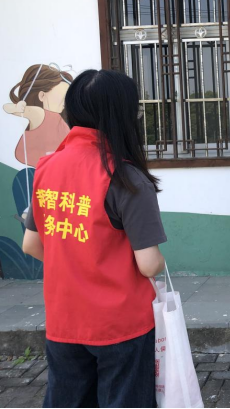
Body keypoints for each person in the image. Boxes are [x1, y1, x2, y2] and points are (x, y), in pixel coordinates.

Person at [22, 69, 167, 408]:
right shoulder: (126, 177)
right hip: (121, 324)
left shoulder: (46, 167)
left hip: (64, 319)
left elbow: (31, 244)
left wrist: (76, 261)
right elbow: (149, 265)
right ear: (123, 115)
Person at [3, 64, 72, 167]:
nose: (64, 101)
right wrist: (18, 107)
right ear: (42, 95)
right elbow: (7, 107)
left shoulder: (61, 120)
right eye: (62, 95)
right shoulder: (40, 113)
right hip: (44, 169)